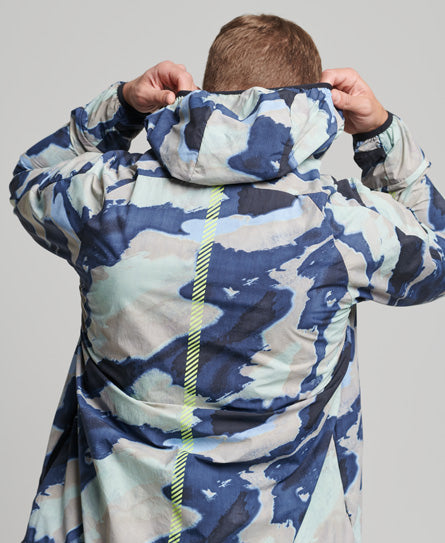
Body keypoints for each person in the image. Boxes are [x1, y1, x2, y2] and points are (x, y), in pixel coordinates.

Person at [10, 13, 445, 543]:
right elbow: (437, 250)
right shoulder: (338, 222)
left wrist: (122, 104)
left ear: (210, 89)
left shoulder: (107, 197)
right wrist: (380, 133)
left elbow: (29, 178)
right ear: (313, 101)